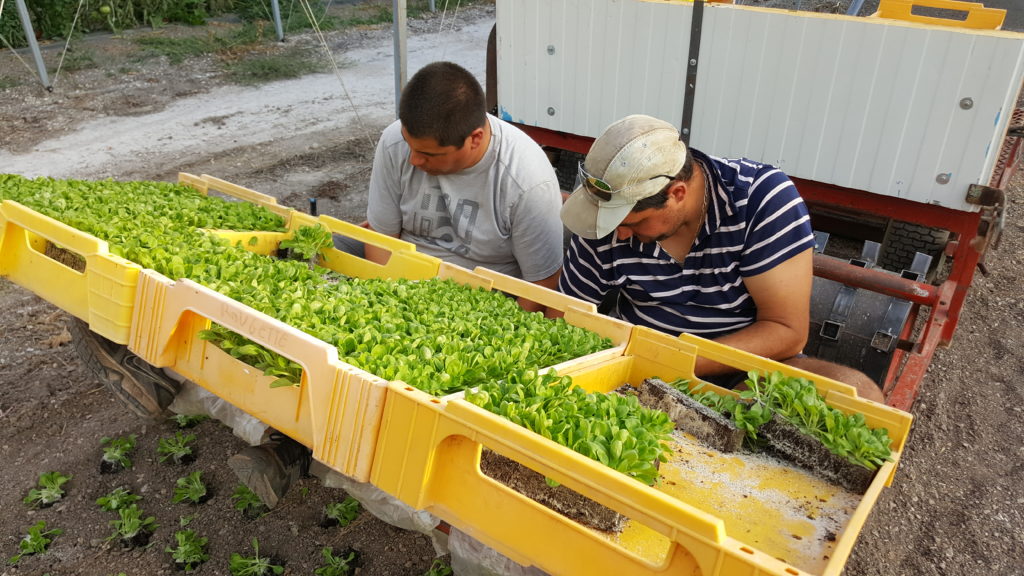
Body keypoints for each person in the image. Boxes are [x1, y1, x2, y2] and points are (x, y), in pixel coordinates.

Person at [558, 114, 885, 403]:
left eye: (632, 223)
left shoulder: (760, 200)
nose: (620, 235)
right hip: (634, 361)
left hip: (743, 368)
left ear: (677, 194)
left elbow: (786, 330)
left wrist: (677, 361)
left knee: (861, 394)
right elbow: (567, 312)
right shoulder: (609, 219)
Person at [355, 60, 565, 315]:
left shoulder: (527, 181)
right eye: (409, 145)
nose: (414, 160)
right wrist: (386, 304)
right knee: (336, 242)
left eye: (427, 154)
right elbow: (381, 238)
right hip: (404, 285)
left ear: (474, 139)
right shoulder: (393, 142)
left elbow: (541, 284)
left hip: (485, 306)